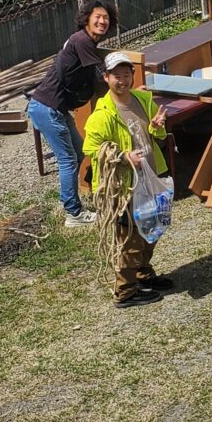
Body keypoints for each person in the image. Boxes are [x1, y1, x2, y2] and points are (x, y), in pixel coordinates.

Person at [83, 51, 173, 307]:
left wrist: (156, 125)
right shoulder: (102, 114)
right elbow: (91, 148)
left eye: (126, 75)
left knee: (153, 227)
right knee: (131, 238)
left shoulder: (144, 99)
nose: (122, 80)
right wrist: (123, 156)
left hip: (152, 176)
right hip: (125, 186)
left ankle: (142, 274)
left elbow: (158, 134)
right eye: (116, 76)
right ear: (106, 78)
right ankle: (125, 291)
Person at [28, 0, 115, 227]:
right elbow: (99, 74)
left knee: (78, 152)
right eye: (98, 16)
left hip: (54, 108)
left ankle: (70, 201)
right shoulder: (82, 40)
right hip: (47, 108)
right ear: (86, 19)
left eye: (106, 18)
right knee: (67, 160)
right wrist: (124, 92)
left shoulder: (83, 42)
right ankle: (73, 213)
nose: (102, 21)